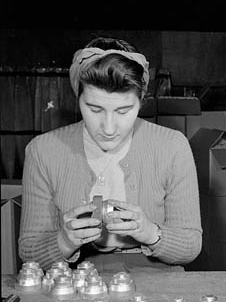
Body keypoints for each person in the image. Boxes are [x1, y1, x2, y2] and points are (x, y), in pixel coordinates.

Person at [19, 37, 202, 272]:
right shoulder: (43, 151)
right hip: (74, 283)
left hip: (157, 281)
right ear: (78, 98)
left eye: (123, 110)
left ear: (141, 101)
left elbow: (190, 246)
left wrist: (150, 233)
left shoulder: (172, 146)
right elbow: (29, 252)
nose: (108, 128)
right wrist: (64, 241)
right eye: (94, 109)